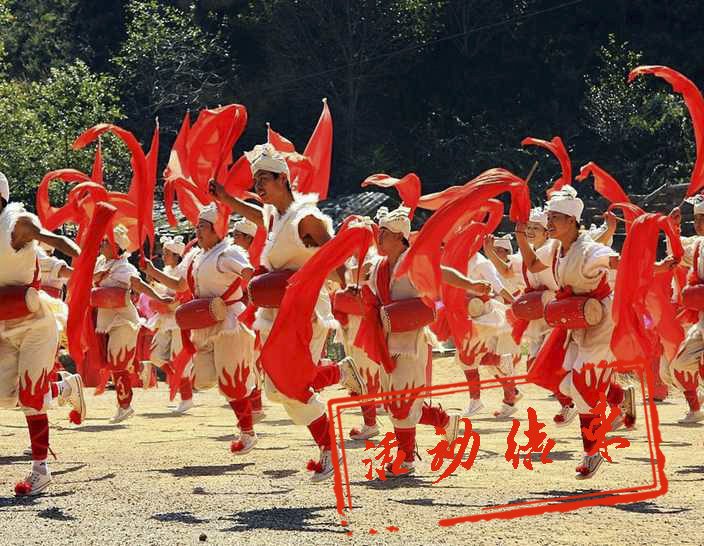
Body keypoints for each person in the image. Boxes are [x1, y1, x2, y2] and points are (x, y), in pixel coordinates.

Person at [208, 143, 366, 481]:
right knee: (277, 388)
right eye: (256, 181)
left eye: (264, 179)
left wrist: (348, 283)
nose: (259, 186)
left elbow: (334, 251)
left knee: (292, 386)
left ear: (283, 178)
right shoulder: (274, 216)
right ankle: (339, 373)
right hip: (277, 311)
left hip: (305, 314)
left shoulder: (306, 218)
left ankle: (329, 450)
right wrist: (226, 198)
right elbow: (256, 216)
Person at [528, 186, 672, 478]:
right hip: (574, 321)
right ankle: (618, 402)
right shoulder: (555, 248)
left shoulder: (590, 249)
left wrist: (656, 267)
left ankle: (592, 453)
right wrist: (521, 236)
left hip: (601, 322)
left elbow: (622, 262)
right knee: (562, 382)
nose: (550, 222)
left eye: (556, 217)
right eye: (550, 217)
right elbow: (531, 264)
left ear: (572, 221)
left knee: (581, 387)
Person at [0, 171, 86, 496]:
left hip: (36, 324)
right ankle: (63, 389)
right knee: (5, 395)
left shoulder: (17, 223)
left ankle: (40, 470)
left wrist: (87, 259)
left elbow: (58, 242)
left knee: (31, 397)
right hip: (5, 325)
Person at [359, 207, 461, 475]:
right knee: (396, 401)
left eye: (384, 234)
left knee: (402, 402)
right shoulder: (379, 266)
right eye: (378, 233)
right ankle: (444, 420)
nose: (378, 238)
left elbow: (443, 274)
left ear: (400, 238)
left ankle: (405, 460)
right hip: (386, 338)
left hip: (412, 340)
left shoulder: (413, 262)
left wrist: (472, 285)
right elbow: (367, 292)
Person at [93, 225, 173, 423]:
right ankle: (140, 368)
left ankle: (125, 405)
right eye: (102, 241)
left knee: (117, 362)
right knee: (112, 363)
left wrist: (160, 299)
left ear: (117, 247)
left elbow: (139, 285)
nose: (102, 244)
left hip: (124, 320)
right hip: (104, 319)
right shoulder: (99, 263)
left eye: (106, 242)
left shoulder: (124, 268)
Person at [142, 235, 195, 414]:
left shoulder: (183, 271)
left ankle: (186, 398)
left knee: (178, 358)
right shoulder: (167, 270)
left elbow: (183, 295)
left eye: (167, 253)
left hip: (180, 320)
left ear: (176, 255)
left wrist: (167, 303)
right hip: (166, 320)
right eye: (163, 253)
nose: (163, 256)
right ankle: (175, 380)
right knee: (155, 355)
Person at [666, 201, 704, 422]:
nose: (698, 223)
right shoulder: (699, 245)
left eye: (702, 219)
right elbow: (678, 252)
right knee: (679, 364)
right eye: (696, 219)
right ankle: (696, 405)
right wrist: (672, 227)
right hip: (701, 320)